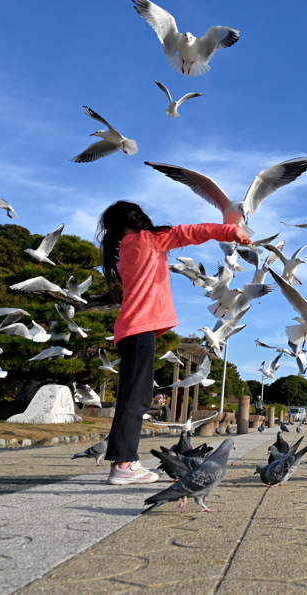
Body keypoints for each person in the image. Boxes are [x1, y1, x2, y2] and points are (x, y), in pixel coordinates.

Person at [97, 201, 251, 485]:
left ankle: (121, 462)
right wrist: (231, 232)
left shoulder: (125, 250)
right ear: (139, 218)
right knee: (137, 399)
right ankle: (124, 465)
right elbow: (192, 231)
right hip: (140, 327)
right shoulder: (150, 239)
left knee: (130, 397)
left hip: (130, 329)